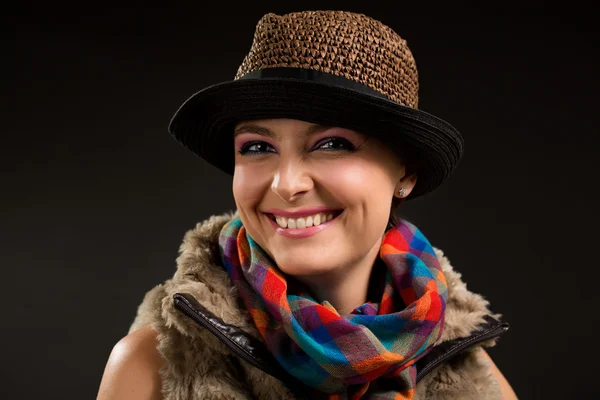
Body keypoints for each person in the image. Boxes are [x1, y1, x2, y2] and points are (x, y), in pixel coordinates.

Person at [97, 10, 517, 400]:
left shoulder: (475, 383)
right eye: (258, 146)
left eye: (332, 144)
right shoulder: (151, 368)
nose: (286, 184)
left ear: (405, 173)